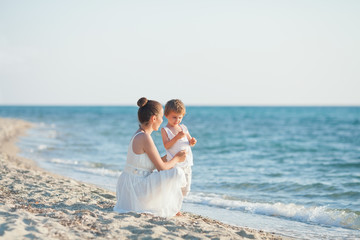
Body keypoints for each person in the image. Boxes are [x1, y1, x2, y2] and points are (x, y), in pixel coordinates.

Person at [113, 97, 187, 218]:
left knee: (173, 168)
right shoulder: (145, 138)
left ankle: (172, 207)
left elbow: (154, 162)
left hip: (130, 185)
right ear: (153, 118)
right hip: (136, 188)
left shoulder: (140, 133)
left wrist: (172, 157)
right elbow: (162, 168)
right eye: (161, 117)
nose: (162, 121)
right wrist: (177, 159)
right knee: (177, 172)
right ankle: (173, 208)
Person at [161, 99, 197, 197]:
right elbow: (166, 145)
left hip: (187, 163)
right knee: (175, 186)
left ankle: (177, 206)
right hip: (175, 164)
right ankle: (175, 208)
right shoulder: (165, 130)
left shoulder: (183, 128)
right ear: (166, 115)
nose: (177, 120)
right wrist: (177, 137)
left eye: (180, 117)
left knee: (186, 189)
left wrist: (192, 141)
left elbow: (189, 142)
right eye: (174, 117)